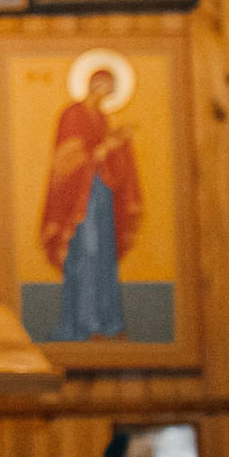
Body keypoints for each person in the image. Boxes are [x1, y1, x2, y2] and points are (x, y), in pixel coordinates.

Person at [40, 61, 140, 341]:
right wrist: (106, 147)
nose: (109, 93)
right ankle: (85, 324)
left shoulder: (102, 118)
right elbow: (66, 159)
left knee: (104, 257)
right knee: (85, 255)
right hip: (79, 203)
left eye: (113, 89)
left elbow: (105, 157)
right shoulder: (72, 114)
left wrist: (118, 143)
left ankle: (108, 323)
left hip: (100, 196)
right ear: (95, 85)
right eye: (107, 87)